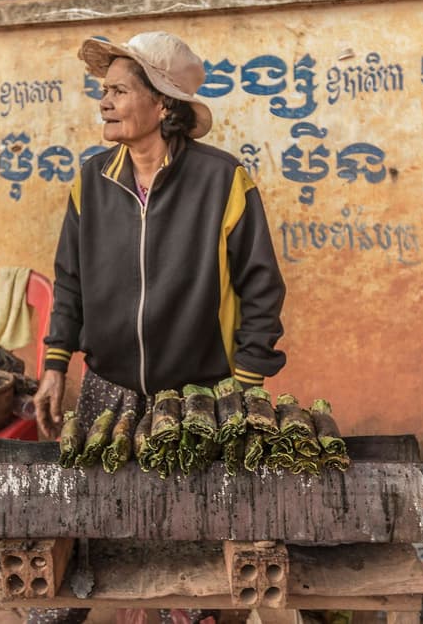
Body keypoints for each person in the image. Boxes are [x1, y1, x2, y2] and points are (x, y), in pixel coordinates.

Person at [28, 31, 287, 624]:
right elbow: (69, 281)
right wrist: (54, 366)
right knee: (103, 548)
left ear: (163, 105)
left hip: (198, 397)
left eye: (119, 90)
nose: (105, 101)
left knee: (192, 566)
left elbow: (262, 290)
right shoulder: (90, 181)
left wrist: (243, 385)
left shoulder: (225, 181)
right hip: (108, 390)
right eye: (103, 90)